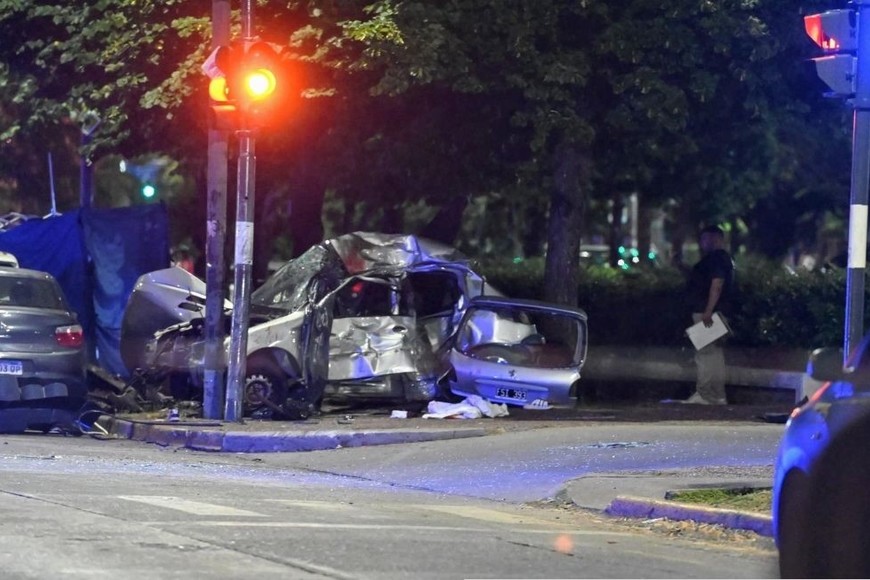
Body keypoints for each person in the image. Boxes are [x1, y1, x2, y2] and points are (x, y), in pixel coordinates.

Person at [682, 225, 735, 405]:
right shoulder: (723, 259)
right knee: (714, 354)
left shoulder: (716, 259)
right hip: (716, 311)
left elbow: (716, 284)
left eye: (708, 239)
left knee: (705, 354)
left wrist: (708, 311)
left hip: (708, 312)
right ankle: (717, 395)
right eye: (704, 239)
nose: (705, 243)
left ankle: (706, 394)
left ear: (718, 239)